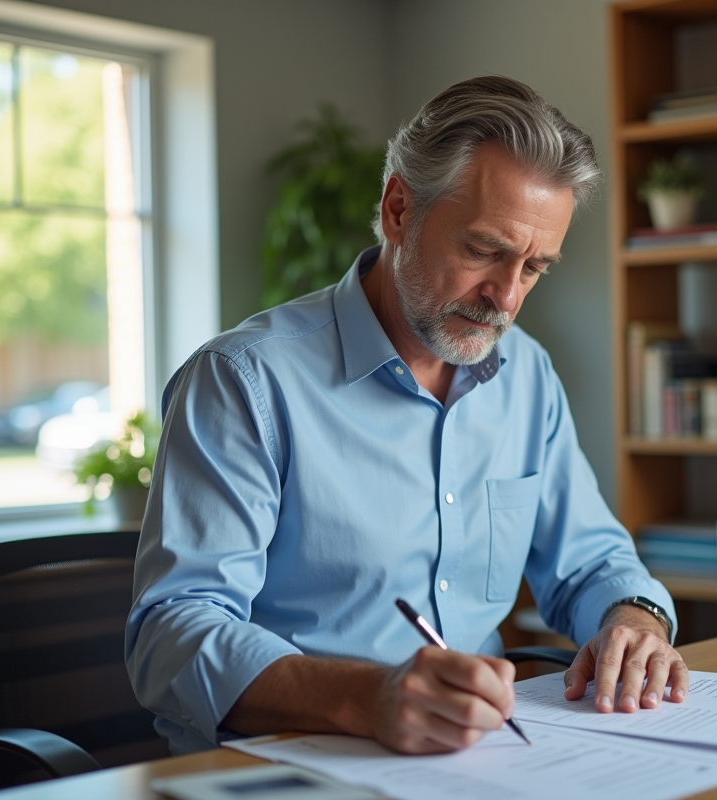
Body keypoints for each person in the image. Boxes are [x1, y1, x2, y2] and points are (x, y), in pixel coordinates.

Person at [125, 75, 688, 757]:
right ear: (399, 210)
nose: (506, 298)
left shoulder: (526, 373)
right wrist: (367, 699)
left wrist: (639, 622)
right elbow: (174, 632)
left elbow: (591, 561)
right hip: (289, 764)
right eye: (484, 250)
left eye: (535, 267)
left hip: (480, 761)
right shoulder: (245, 381)